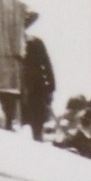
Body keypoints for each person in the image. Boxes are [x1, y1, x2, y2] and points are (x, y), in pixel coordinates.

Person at [20, 9, 55, 140]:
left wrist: (50, 88)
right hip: (20, 89)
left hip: (36, 90)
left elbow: (47, 65)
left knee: (37, 126)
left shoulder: (35, 42)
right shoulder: (12, 44)